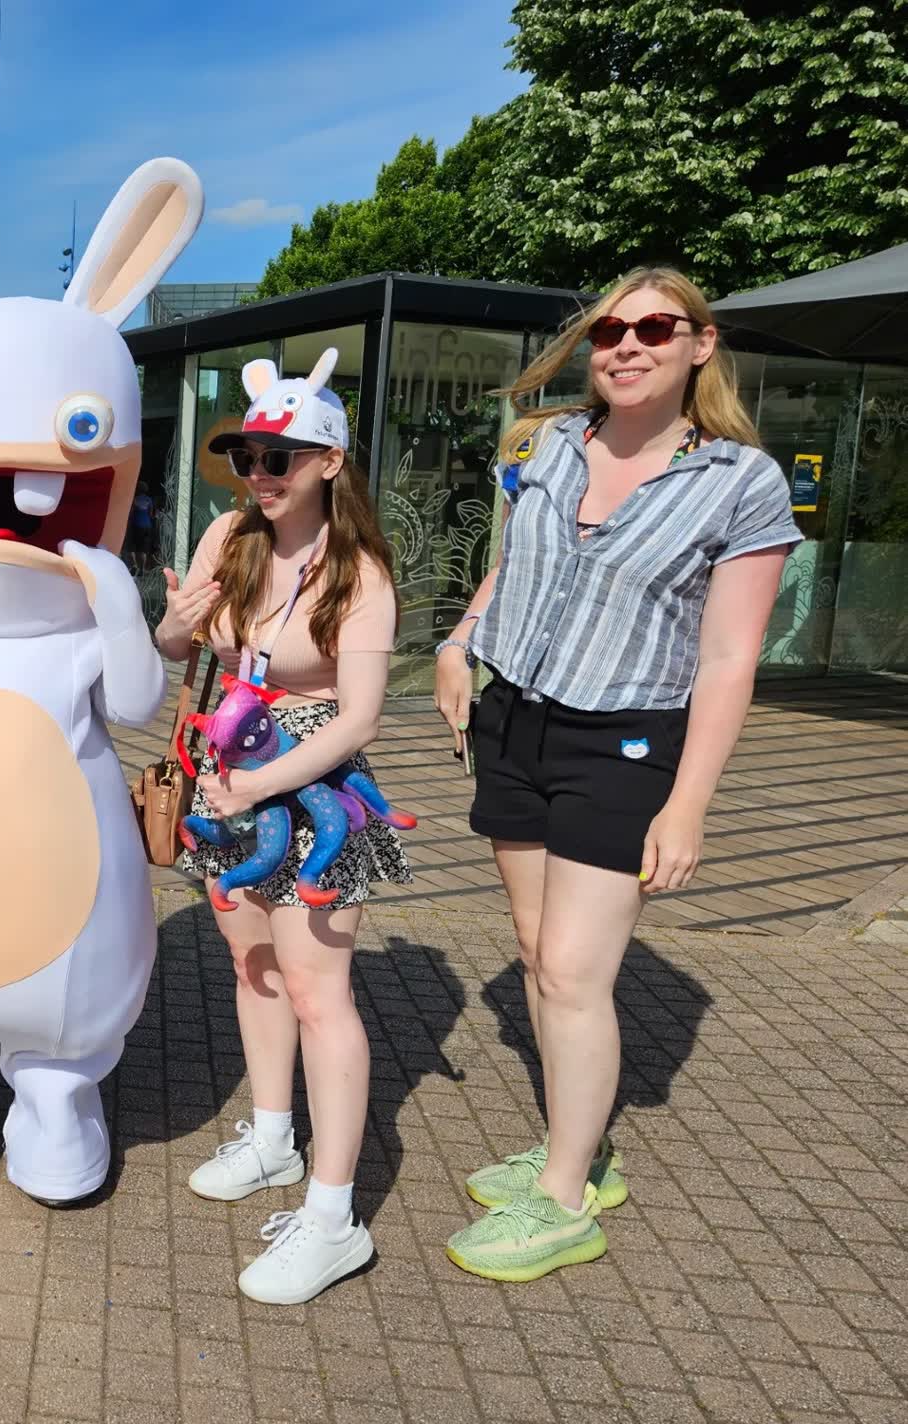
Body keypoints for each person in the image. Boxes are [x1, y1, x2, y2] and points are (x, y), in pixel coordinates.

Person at [435, 268, 798, 1283]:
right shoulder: (550, 444)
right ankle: (576, 1144)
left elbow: (727, 657)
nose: (626, 345)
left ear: (699, 344)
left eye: (653, 327)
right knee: (532, 951)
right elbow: (513, 563)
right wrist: (459, 640)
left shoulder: (740, 480)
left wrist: (687, 806)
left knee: (571, 971)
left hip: (625, 739)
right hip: (514, 719)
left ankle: (564, 1201)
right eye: (608, 330)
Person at [155, 349, 410, 1306]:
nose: (258, 474)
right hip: (227, 776)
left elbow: (359, 718)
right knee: (251, 964)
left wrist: (257, 785)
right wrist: (175, 621)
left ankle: (334, 1218)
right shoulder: (230, 536)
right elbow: (178, 647)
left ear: (330, 462)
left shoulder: (359, 572)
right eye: (246, 458)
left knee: (317, 992)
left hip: (314, 793)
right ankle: (271, 1138)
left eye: (279, 458)